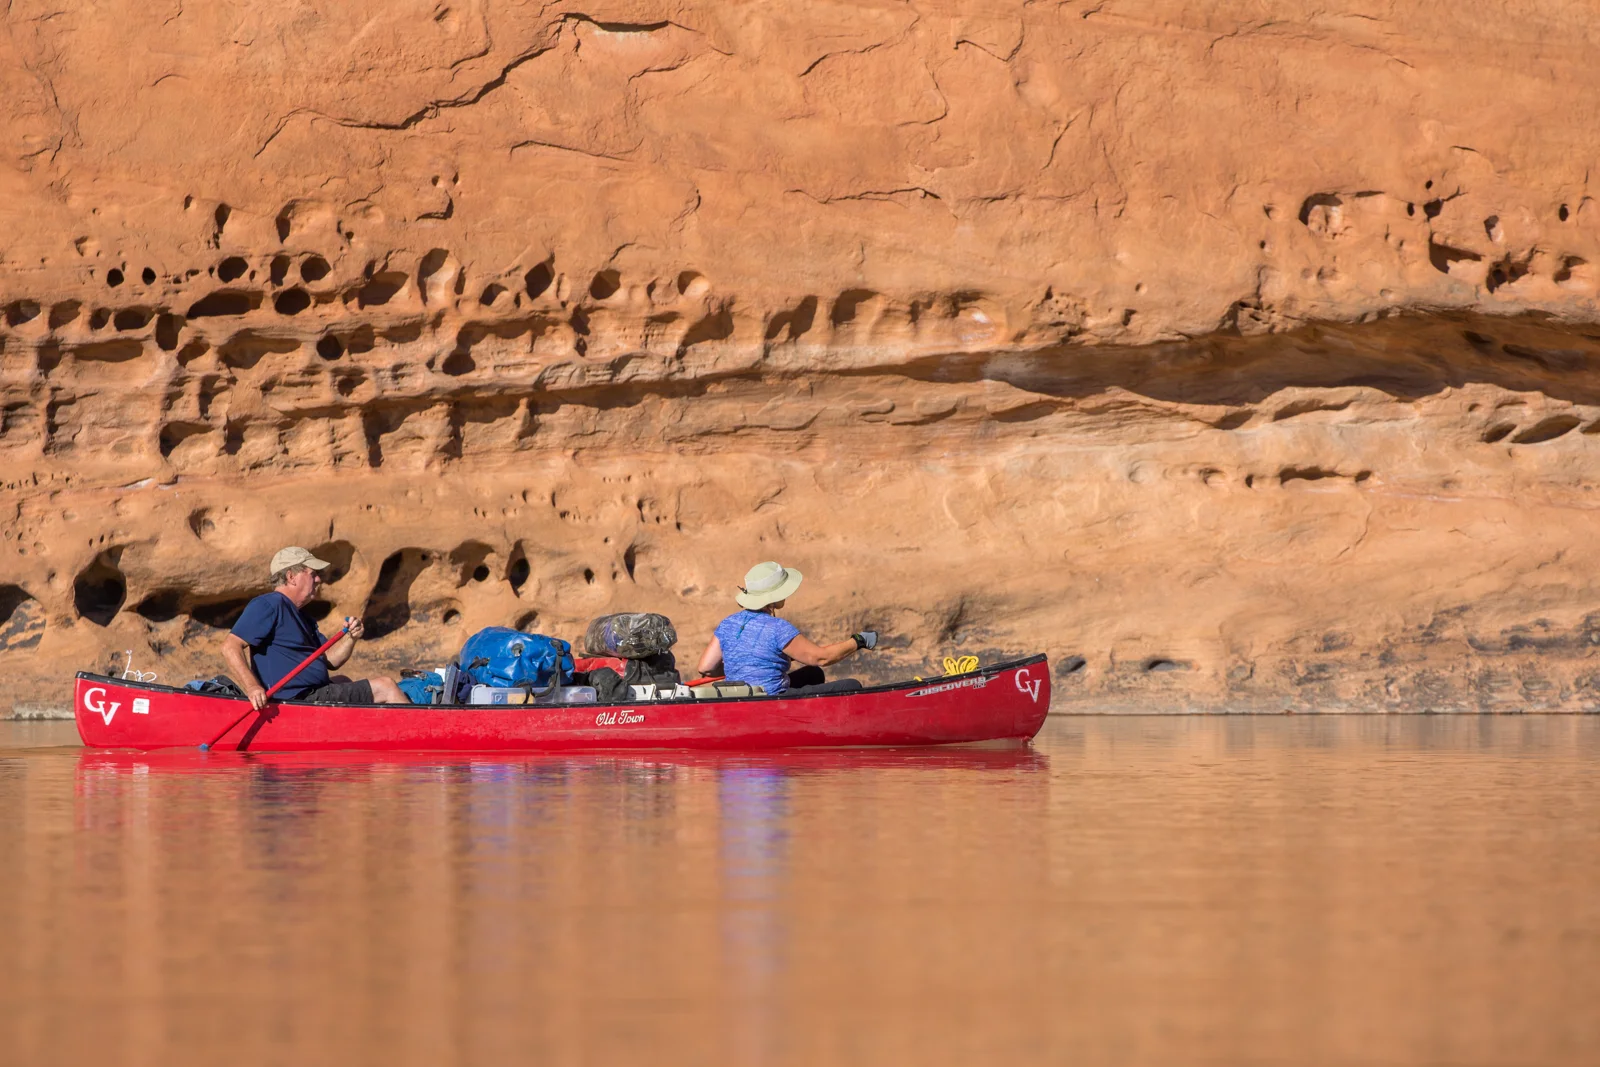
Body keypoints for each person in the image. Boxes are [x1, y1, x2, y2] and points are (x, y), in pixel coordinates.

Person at [221, 546, 410, 708]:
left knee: (343, 680)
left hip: (313, 693)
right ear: (291, 576)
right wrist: (253, 688)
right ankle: (425, 734)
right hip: (296, 699)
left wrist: (351, 638)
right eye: (313, 574)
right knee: (386, 686)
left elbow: (331, 661)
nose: (318, 580)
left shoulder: (303, 616)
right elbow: (230, 647)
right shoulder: (269, 604)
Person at [695, 561, 878, 696]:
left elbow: (706, 668)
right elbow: (821, 657)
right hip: (771, 697)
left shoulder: (728, 623)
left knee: (813, 674)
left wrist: (743, 666)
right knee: (851, 686)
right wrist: (858, 641)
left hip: (739, 696)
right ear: (773, 598)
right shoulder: (778, 628)